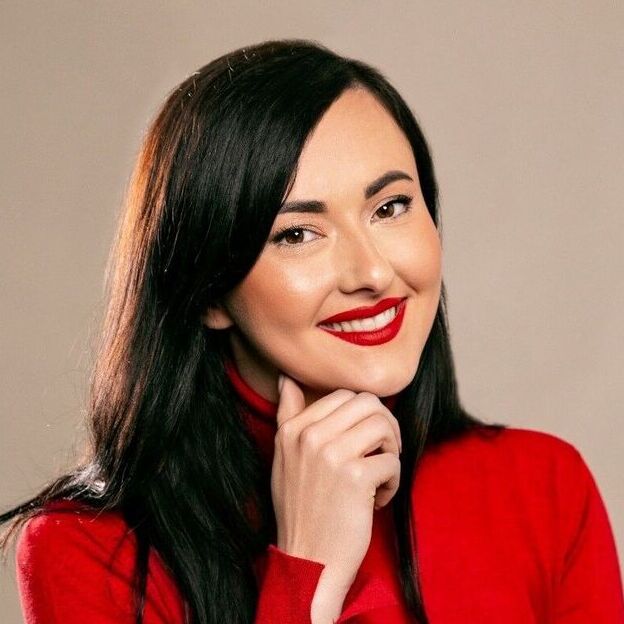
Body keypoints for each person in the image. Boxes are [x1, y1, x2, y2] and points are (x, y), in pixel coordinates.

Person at [1, 38, 622, 624]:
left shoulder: (542, 488)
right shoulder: (85, 550)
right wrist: (307, 570)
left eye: (390, 207)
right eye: (297, 233)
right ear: (209, 289)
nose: (372, 273)